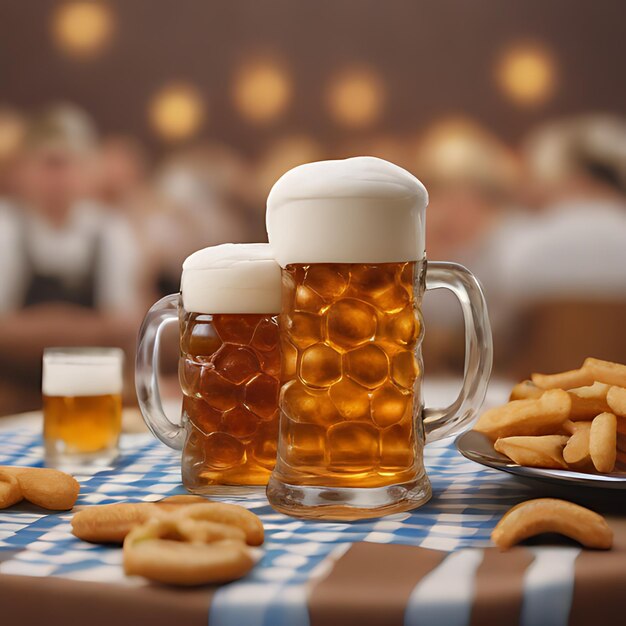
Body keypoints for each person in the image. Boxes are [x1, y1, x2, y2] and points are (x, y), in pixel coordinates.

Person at [0, 104, 147, 415]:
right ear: (24, 170)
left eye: (67, 165)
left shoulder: (111, 230)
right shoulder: (6, 227)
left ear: (86, 170)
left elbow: (125, 328)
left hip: (90, 401)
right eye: (48, 165)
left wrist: (32, 331)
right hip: (11, 404)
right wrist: (91, 330)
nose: (58, 178)